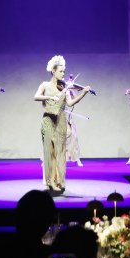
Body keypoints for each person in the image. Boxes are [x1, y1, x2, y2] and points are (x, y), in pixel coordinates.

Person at [34, 56, 91, 195]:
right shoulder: (45, 85)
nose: (63, 74)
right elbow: (36, 96)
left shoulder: (64, 87)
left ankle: (59, 181)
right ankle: (50, 182)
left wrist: (83, 93)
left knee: (60, 153)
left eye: (64, 71)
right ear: (53, 71)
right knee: (49, 153)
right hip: (48, 120)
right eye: (61, 71)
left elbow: (70, 103)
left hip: (61, 121)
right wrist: (49, 97)